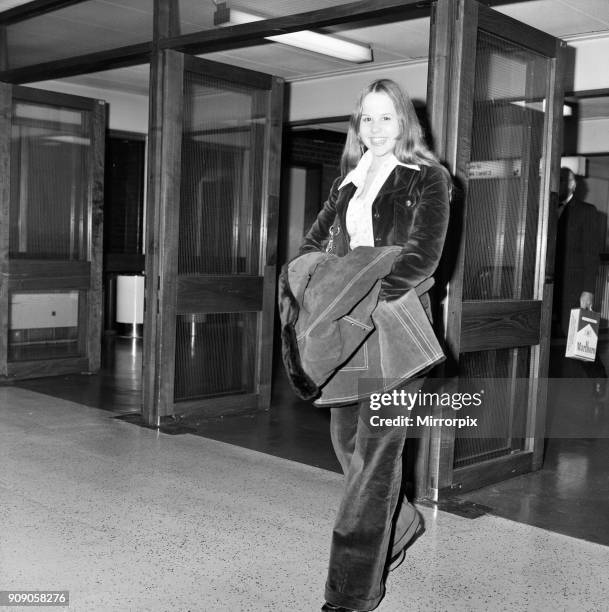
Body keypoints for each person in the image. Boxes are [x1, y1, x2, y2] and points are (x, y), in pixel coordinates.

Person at [299, 79, 451, 612]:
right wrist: (321, 292)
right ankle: (404, 524)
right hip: (348, 329)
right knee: (348, 447)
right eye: (367, 118)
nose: (376, 129)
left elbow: (422, 257)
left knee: (376, 462)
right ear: (356, 126)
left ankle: (350, 594)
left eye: (387, 117)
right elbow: (312, 247)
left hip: (393, 328)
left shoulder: (428, 178)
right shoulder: (347, 183)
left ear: (405, 122)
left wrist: (360, 293)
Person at [553, 167, 607, 399]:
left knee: (579, 341)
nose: (562, 185)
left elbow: (590, 255)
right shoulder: (545, 211)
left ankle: (598, 380)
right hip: (546, 286)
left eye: (566, 181)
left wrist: (588, 290)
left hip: (573, 288)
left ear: (574, 186)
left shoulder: (587, 212)